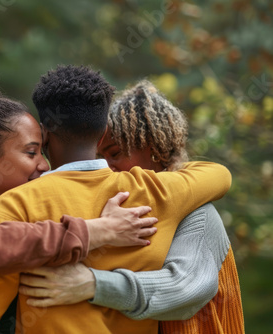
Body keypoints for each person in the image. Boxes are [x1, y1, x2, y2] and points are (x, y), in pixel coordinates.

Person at [0, 65, 232, 334]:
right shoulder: (159, 191)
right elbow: (219, 174)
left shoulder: (17, 207)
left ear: (46, 135)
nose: (39, 162)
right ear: (104, 127)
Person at [19, 80, 245, 333]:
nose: (106, 166)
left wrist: (94, 285)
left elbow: (186, 289)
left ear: (154, 149)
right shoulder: (115, 202)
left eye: (114, 154)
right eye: (100, 156)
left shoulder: (198, 211)